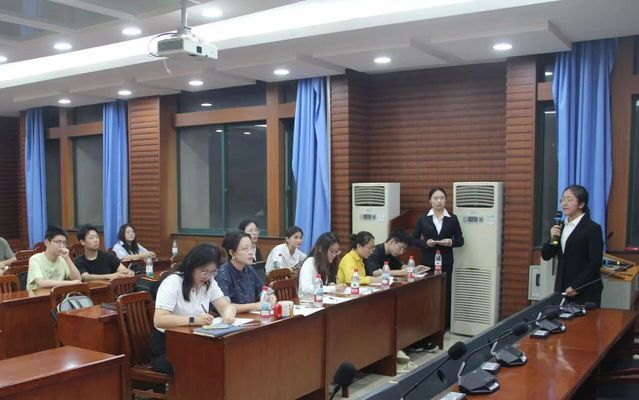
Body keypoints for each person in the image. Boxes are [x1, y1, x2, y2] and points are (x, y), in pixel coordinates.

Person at [152, 243, 236, 375]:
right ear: (191, 266)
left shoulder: (209, 282)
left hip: (196, 341)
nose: (207, 276)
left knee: (226, 357)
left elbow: (225, 305)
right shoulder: (173, 282)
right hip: (168, 346)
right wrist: (194, 320)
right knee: (204, 363)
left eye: (212, 272)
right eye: (204, 271)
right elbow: (159, 319)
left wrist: (228, 314)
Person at [541, 185, 604, 306]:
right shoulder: (560, 226)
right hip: (562, 289)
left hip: (586, 291)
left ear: (581, 204)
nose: (564, 203)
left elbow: (595, 262)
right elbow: (546, 255)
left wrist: (577, 286)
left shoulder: (592, 228)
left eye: (569, 200)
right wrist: (552, 239)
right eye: (562, 200)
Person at [412, 187, 464, 330]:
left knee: (445, 292)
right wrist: (425, 243)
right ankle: (427, 324)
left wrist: (450, 242)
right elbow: (413, 240)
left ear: (446, 200)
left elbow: (460, 240)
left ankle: (444, 325)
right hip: (427, 261)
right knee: (428, 292)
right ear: (430, 201)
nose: (439, 201)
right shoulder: (423, 219)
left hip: (446, 261)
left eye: (442, 198)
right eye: (436, 198)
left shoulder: (452, 218)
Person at [216, 231, 276, 312]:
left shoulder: (249, 269)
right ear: (232, 253)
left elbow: (263, 290)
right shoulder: (224, 273)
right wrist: (255, 306)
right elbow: (225, 306)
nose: (251, 252)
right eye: (245, 248)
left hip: (250, 316)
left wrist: (270, 296)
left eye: (251, 247)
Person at [26, 226, 82, 290]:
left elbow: (78, 279)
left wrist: (67, 258)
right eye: (58, 242)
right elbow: (41, 283)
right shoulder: (35, 259)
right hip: (38, 295)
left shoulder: (63, 259)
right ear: (46, 243)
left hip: (57, 294)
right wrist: (70, 283)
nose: (61, 246)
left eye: (64, 243)